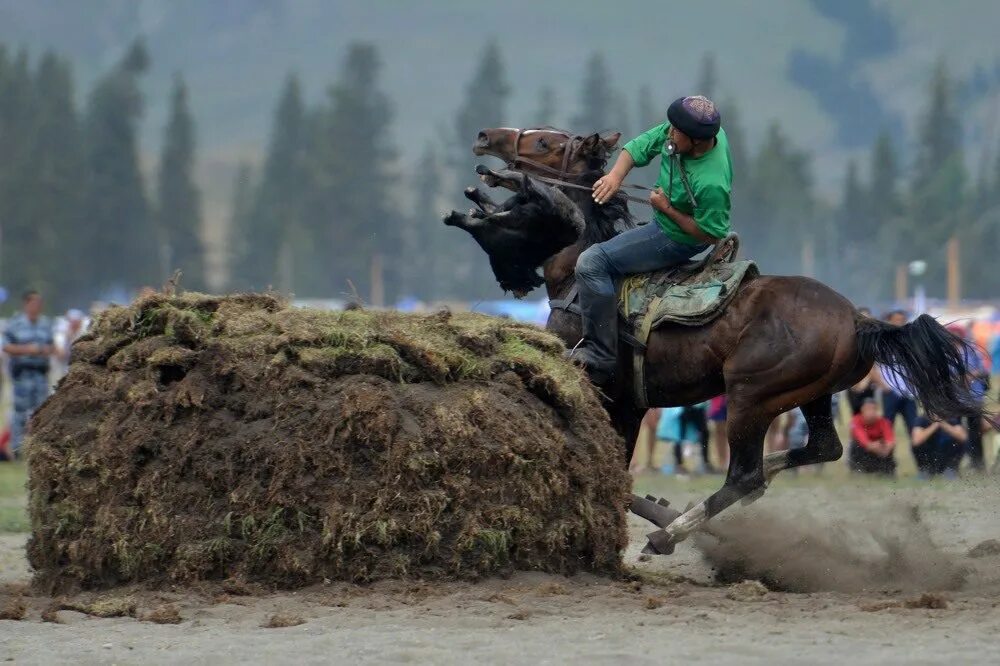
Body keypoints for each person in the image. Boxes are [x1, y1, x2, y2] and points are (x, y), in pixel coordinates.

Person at [568, 95, 732, 384]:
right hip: (664, 216)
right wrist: (614, 178)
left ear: (695, 141)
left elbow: (710, 232)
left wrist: (667, 209)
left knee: (591, 263)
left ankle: (600, 354)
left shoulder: (711, 182)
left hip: (675, 236)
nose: (668, 133)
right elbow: (638, 146)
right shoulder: (686, 133)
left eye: (675, 131)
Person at [2, 290, 55, 456]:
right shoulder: (15, 324)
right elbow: (6, 346)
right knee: (19, 413)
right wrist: (28, 350)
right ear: (26, 304)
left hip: (40, 375)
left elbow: (53, 346)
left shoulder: (46, 324)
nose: (36, 307)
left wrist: (46, 350)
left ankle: (38, 448)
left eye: (39, 304)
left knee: (40, 412)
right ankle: (17, 449)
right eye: (33, 303)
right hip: (22, 376)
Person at [848, 398, 896, 476]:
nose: (871, 412)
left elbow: (890, 440)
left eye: (874, 409)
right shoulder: (856, 420)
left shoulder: (883, 421)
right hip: (863, 450)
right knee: (855, 445)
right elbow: (863, 440)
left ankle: (886, 472)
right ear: (862, 410)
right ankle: (858, 469)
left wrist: (886, 449)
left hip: (880, 449)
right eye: (868, 409)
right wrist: (873, 446)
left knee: (889, 449)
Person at [912, 413, 967, 478]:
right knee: (919, 445)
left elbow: (963, 437)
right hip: (928, 459)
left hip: (946, 459)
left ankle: (950, 469)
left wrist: (943, 424)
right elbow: (916, 441)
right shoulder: (921, 420)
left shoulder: (951, 420)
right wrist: (935, 425)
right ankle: (925, 470)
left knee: (955, 441)